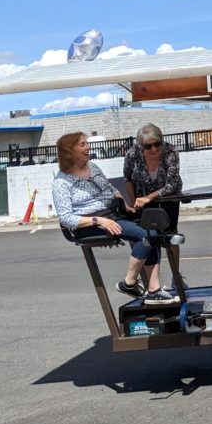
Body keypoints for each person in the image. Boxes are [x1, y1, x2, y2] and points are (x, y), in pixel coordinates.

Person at [52, 132, 178, 305]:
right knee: (146, 235)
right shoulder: (61, 182)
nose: (88, 147)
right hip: (90, 223)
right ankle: (130, 282)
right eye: (82, 144)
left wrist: (123, 202)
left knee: (153, 228)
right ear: (69, 151)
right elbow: (66, 218)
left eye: (86, 143)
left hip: (112, 214)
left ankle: (153, 290)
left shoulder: (93, 167)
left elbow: (109, 188)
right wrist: (100, 221)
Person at [124, 123, 184, 289]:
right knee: (149, 238)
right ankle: (150, 281)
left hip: (167, 197)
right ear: (140, 145)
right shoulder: (132, 154)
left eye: (157, 144)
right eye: (148, 146)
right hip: (142, 198)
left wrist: (148, 198)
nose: (154, 149)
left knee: (171, 236)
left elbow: (171, 184)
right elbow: (127, 178)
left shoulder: (170, 151)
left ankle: (176, 276)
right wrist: (133, 201)